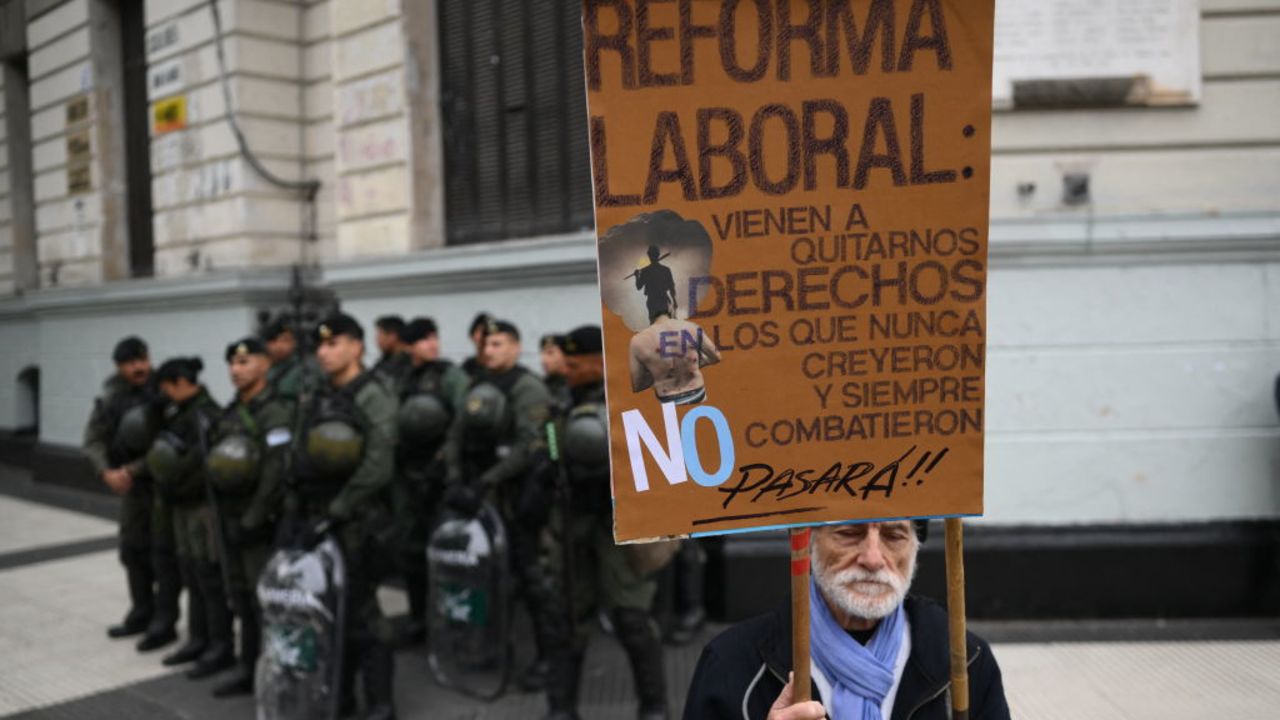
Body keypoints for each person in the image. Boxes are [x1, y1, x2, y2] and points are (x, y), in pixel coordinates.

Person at [682, 521, 1011, 720]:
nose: (872, 558)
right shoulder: (732, 664)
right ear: (807, 542)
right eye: (849, 533)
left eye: (894, 535)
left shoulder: (963, 661)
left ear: (915, 548)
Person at [542, 325, 669, 720]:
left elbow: (657, 456)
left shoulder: (633, 395)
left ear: (599, 361)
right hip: (572, 523)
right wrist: (551, 462)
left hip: (621, 527)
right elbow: (549, 440)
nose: (566, 368)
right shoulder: (560, 400)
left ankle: (654, 707)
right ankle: (561, 708)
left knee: (632, 619)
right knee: (566, 618)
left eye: (575, 362)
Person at [291, 313, 398, 719]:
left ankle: (382, 703)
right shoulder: (318, 394)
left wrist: (338, 509)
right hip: (320, 518)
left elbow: (379, 465)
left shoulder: (373, 394)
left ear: (356, 346)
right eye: (320, 344)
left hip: (359, 521)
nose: (324, 351)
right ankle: (342, 697)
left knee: (363, 615)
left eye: (334, 343)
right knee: (329, 612)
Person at [442, 318, 556, 691]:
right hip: (479, 499)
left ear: (515, 347)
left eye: (498, 344)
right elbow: (456, 433)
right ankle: (490, 648)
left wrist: (486, 482)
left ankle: (547, 657)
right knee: (483, 577)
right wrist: (456, 479)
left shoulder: (528, 388)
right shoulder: (479, 383)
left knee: (531, 578)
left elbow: (530, 445)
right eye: (486, 345)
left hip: (514, 499)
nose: (489, 351)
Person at [205, 338, 296, 697]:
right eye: (232, 363)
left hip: (261, 521)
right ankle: (249, 668)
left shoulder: (275, 411)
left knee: (267, 599)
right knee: (240, 596)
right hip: (231, 517)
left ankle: (279, 669)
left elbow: (276, 470)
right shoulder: (230, 411)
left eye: (244, 362)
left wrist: (254, 518)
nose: (235, 370)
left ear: (264, 365)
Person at [82, 336, 178, 648]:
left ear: (149, 359)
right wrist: (105, 472)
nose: (137, 367)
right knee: (132, 551)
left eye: (140, 360)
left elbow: (171, 441)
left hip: (162, 486)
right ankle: (141, 612)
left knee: (163, 555)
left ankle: (165, 622)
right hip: (131, 488)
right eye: (129, 363)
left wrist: (132, 470)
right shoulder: (112, 397)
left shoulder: (166, 390)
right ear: (119, 366)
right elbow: (93, 439)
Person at [145, 357, 234, 680]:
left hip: (201, 506)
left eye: (167, 388)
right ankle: (199, 639)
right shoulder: (179, 413)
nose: (165, 395)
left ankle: (219, 645)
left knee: (209, 576)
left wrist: (174, 484)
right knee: (191, 572)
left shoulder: (205, 415)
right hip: (182, 505)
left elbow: (200, 465)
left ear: (180, 383)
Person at [392, 317, 468, 644]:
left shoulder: (449, 375)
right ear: (409, 346)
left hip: (441, 477)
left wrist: (444, 463)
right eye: (424, 340)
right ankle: (419, 620)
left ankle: (458, 622)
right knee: (411, 552)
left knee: (452, 553)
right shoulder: (401, 379)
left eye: (434, 338)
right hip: (409, 478)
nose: (432, 345)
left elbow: (462, 420)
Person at [629, 311, 721, 405]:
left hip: (666, 397)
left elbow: (637, 385)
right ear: (671, 307)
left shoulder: (638, 341)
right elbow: (716, 356)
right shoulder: (692, 328)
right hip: (696, 392)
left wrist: (659, 374)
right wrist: (692, 365)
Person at [262, 318, 306, 397]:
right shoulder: (262, 369)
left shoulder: (304, 369)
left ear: (294, 343)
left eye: (285, 340)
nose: (279, 346)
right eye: (274, 341)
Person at [634, 244, 677, 322]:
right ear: (658, 254)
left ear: (649, 255)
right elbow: (671, 287)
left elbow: (638, 286)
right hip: (662, 300)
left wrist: (637, 276)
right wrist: (674, 301)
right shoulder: (665, 270)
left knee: (655, 323)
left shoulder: (646, 271)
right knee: (664, 322)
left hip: (654, 301)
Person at [372, 315, 412, 390]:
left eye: (380, 334)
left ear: (392, 336)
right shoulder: (385, 360)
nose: (377, 339)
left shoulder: (408, 363)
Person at [540, 334, 571, 408]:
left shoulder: (575, 384)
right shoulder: (540, 384)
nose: (543, 359)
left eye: (550, 353)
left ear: (565, 354)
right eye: (542, 353)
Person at [461, 312, 494, 379]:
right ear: (472, 336)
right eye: (481, 331)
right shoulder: (467, 367)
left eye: (487, 332)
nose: (483, 336)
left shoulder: (501, 366)